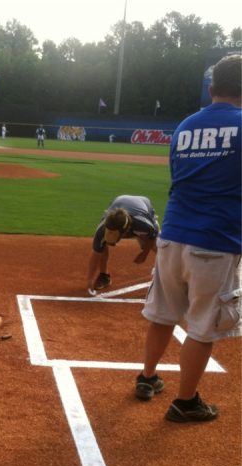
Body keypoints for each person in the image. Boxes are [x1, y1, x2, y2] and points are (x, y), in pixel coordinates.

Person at [135, 54, 241, 422]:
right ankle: (185, 401)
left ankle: (147, 377)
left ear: (212, 89)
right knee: (202, 325)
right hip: (215, 240)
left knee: (163, 314)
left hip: (173, 234)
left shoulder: (184, 126)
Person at [86, 195, 160, 295]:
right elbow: (96, 253)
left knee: (158, 246)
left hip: (143, 206)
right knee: (102, 245)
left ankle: (164, 274)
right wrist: (89, 280)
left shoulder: (143, 224)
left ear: (124, 233)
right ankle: (104, 276)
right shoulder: (103, 228)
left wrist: (144, 253)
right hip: (120, 201)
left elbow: (152, 235)